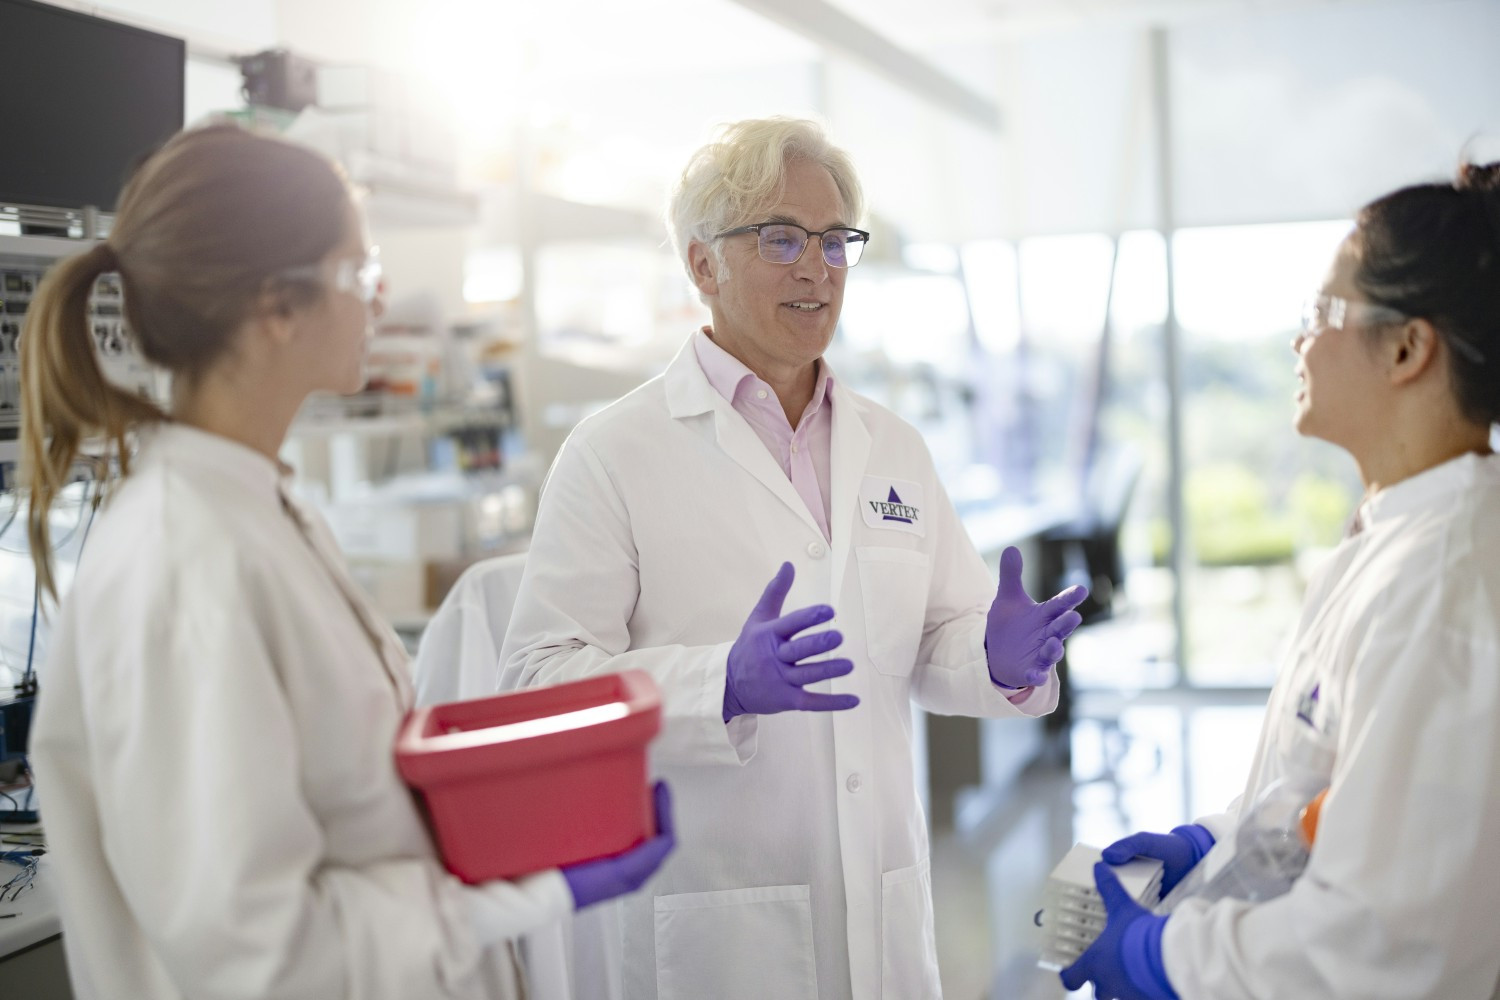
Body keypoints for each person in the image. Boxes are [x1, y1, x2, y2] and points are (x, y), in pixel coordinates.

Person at [23, 124, 673, 1000]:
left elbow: (346, 812)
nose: (383, 298)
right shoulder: (188, 560)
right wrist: (515, 898)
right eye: (361, 274)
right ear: (277, 306)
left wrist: (518, 832)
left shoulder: (262, 508)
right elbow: (259, 954)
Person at [499, 116, 1088, 1000]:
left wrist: (995, 658)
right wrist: (716, 686)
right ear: (704, 264)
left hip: (880, 923)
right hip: (711, 934)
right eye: (781, 238)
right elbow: (535, 684)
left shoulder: (892, 448)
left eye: (835, 241)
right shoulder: (613, 451)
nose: (817, 267)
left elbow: (936, 641)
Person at [1060, 161, 1500, 1000]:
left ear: (1408, 348)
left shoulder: (1444, 585)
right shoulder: (1396, 535)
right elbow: (1326, 799)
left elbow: (1378, 945)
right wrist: (1213, 840)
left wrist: (1163, 960)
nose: (1302, 337)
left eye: (1321, 312)